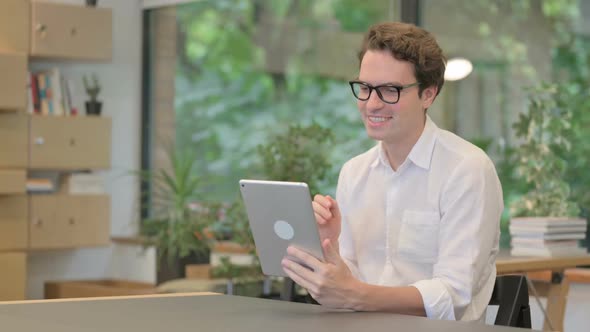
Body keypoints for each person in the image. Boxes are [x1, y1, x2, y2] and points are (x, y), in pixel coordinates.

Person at [281, 21, 503, 322]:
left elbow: (454, 296)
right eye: (365, 88)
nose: (371, 104)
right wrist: (326, 248)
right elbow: (342, 290)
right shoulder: (354, 173)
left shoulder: (466, 169)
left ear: (428, 94)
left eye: (389, 90)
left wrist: (355, 294)